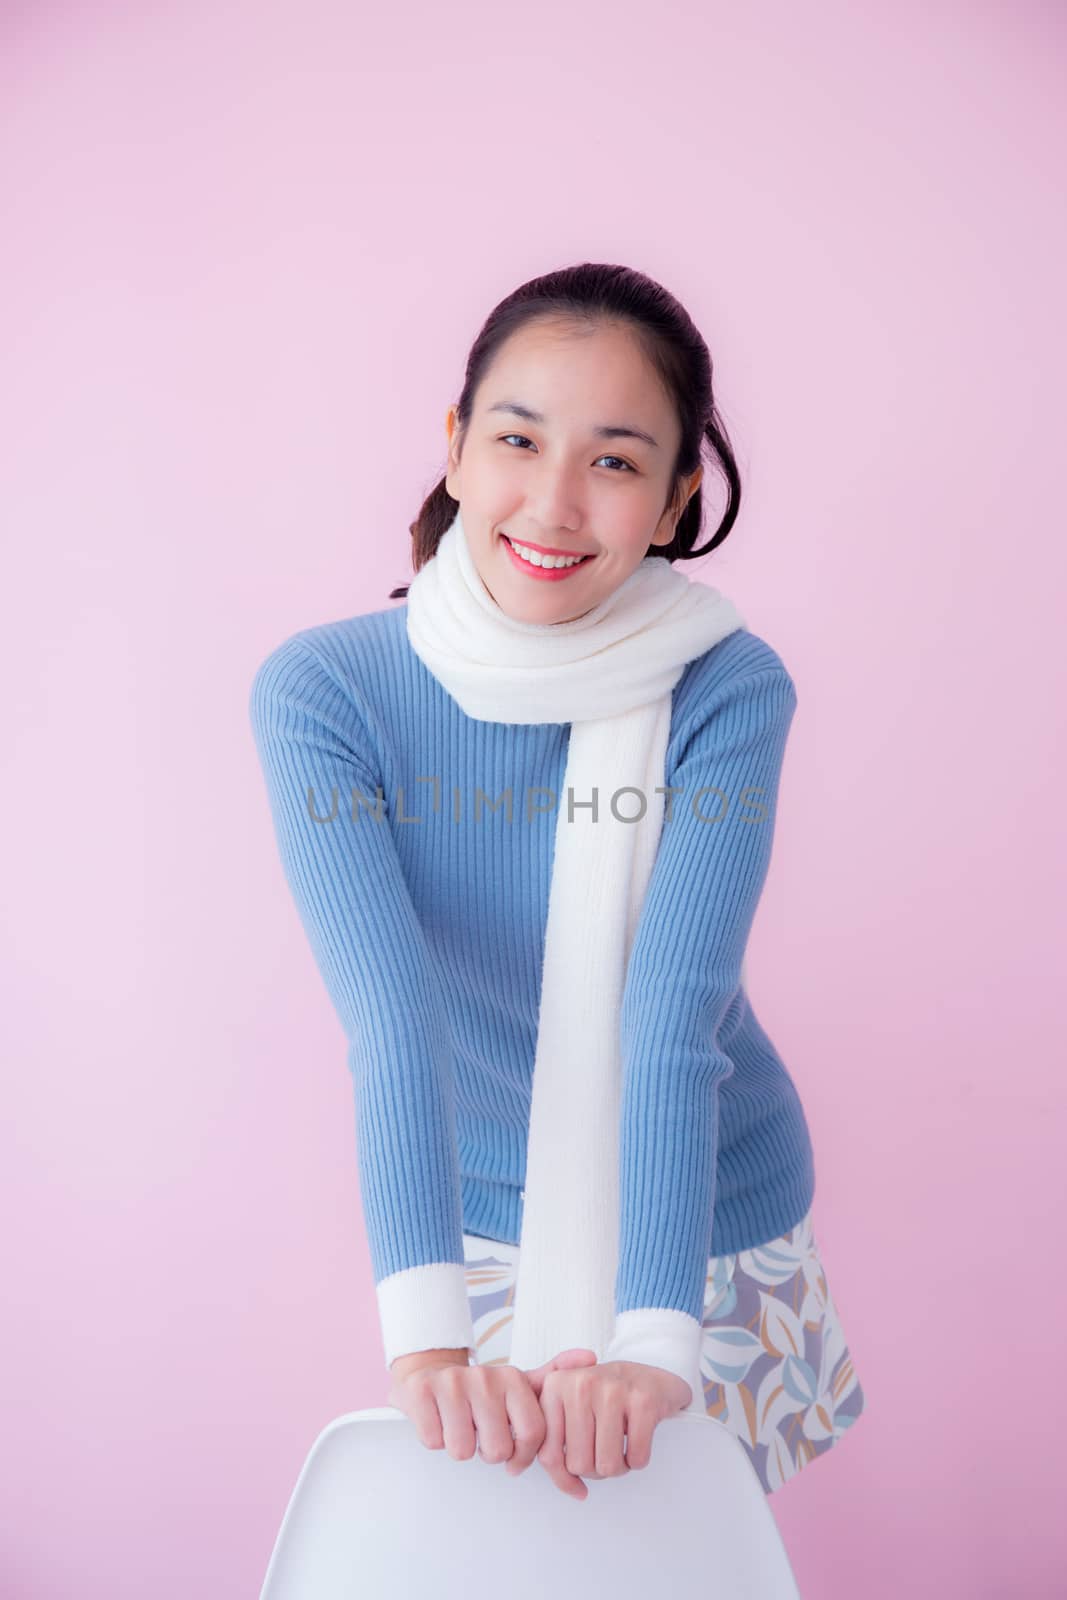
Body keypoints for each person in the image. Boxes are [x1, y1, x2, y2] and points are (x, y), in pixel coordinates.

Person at [249, 261, 865, 1502]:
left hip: (706, 1215)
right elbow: (391, 1019)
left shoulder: (727, 689)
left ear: (677, 493)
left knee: (684, 1566)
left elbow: (668, 1016)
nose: (554, 501)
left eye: (617, 461)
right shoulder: (326, 694)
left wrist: (652, 1351)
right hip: (462, 1218)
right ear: (456, 449)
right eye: (518, 440)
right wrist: (427, 1341)